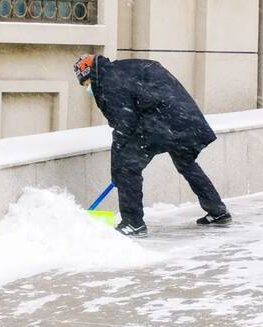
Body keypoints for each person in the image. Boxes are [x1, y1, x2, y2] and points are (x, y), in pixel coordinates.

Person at [74, 54, 231, 237]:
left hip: (161, 123)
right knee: (185, 163)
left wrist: (117, 167)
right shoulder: (123, 69)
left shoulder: (109, 83)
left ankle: (133, 223)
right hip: (183, 118)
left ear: (90, 75)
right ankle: (217, 210)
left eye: (86, 84)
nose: (88, 89)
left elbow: (124, 125)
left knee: (127, 168)